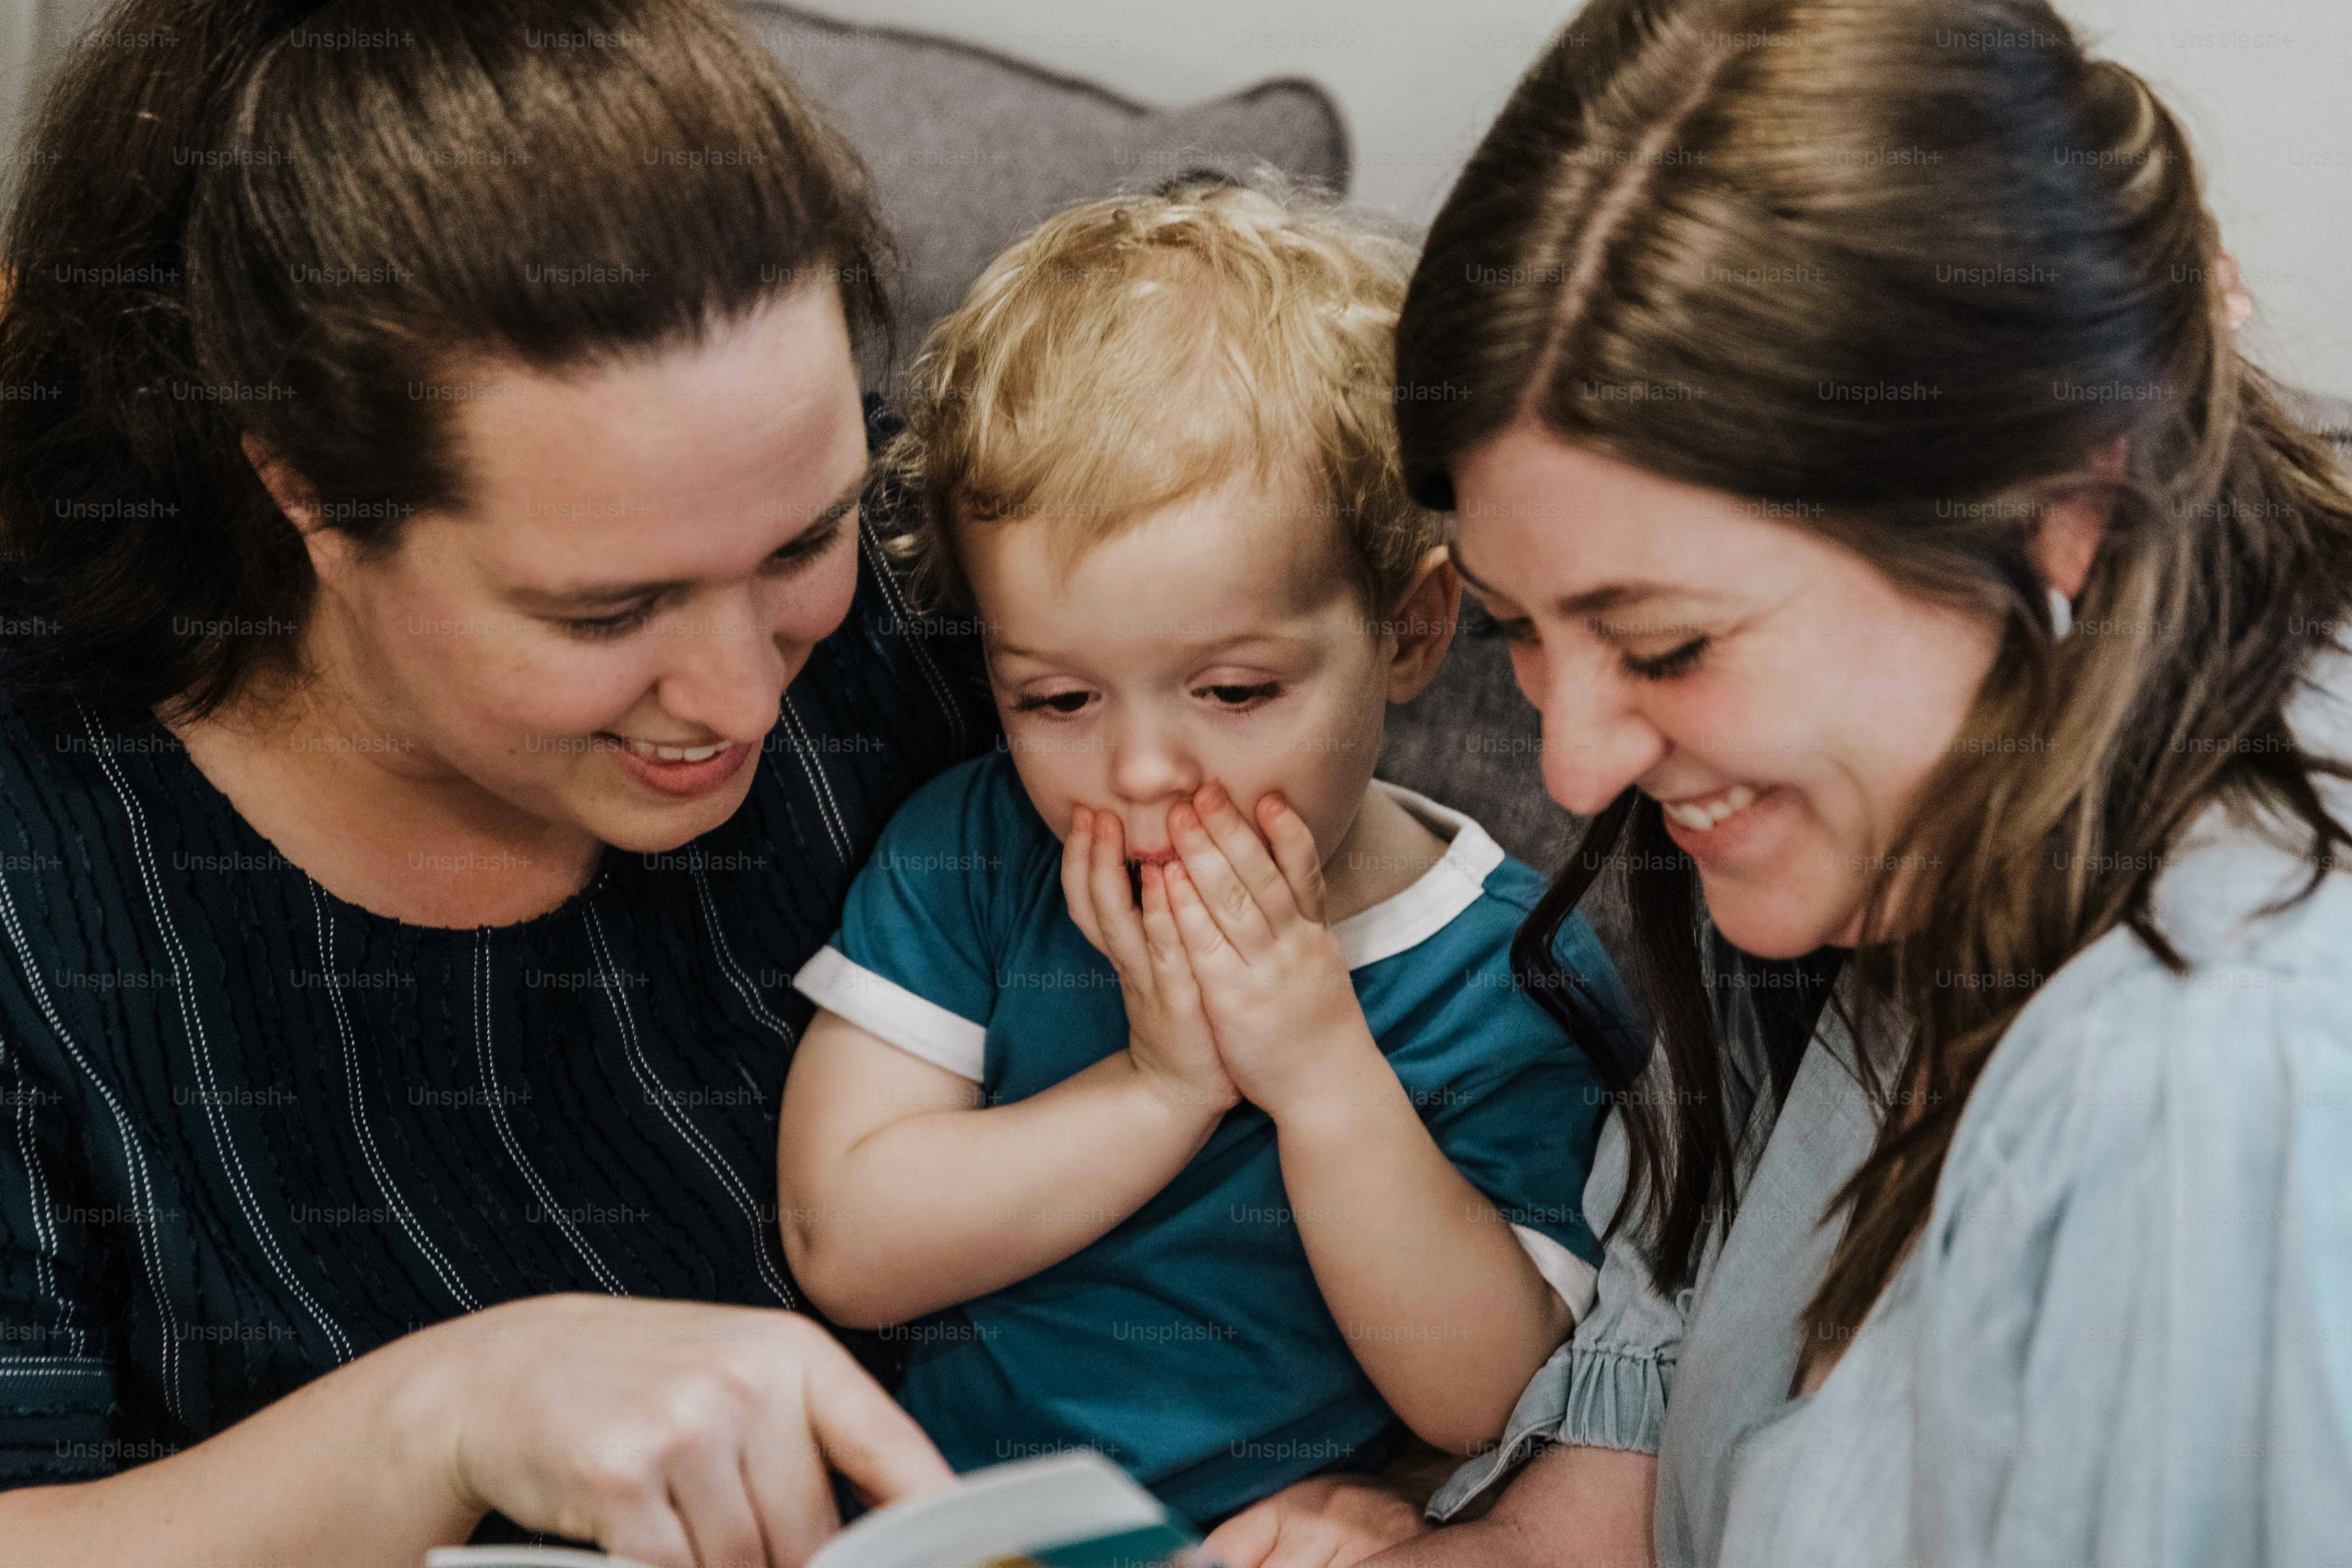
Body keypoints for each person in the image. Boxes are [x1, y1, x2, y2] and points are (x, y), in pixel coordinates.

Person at [1270, 1, 2352, 1564]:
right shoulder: (1884, 827)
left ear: (2062, 509)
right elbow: (1700, 1331)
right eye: (1519, 631)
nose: (1574, 761)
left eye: (1671, 641)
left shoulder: (2226, 1081)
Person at [0, 2, 997, 1563]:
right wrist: (450, 1408)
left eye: (805, 538)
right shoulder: (46, 872)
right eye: (607, 612)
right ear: (313, 500)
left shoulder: (935, 609)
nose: (744, 695)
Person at [776, 182, 1638, 1527]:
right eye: (1058, 700)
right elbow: (847, 1243)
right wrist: (1160, 1085)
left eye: (1234, 694)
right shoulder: (977, 853)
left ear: (1411, 634)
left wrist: (1319, 1067)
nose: (1139, 773)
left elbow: (1488, 1396)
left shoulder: (1511, 973)